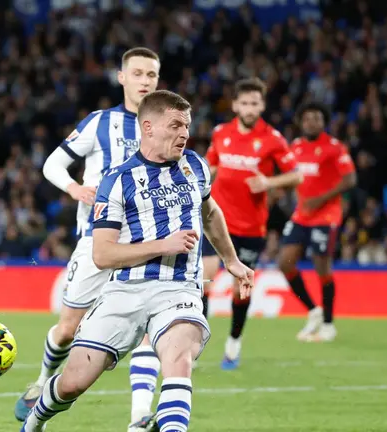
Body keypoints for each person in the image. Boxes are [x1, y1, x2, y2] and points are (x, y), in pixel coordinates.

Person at [19, 90, 254, 432]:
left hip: (179, 289)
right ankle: (33, 422)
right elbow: (103, 254)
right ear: (149, 127)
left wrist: (230, 260)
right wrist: (164, 244)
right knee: (72, 383)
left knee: (178, 358)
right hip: (125, 291)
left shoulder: (195, 165)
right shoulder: (117, 181)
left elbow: (210, 210)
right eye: (175, 125)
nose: (184, 133)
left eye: (187, 125)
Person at [15, 47, 164, 430]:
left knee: (148, 330)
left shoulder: (167, 125)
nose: (145, 81)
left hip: (146, 247)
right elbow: (53, 163)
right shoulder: (100, 123)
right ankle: (41, 381)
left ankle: (139, 417)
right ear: (122, 77)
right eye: (138, 73)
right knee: (67, 329)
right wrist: (74, 188)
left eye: (152, 75)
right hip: (97, 244)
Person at [201, 78, 301, 370]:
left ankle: (233, 343)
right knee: (203, 279)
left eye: (254, 103)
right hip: (215, 221)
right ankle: (193, 344)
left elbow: (295, 175)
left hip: (250, 228)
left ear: (262, 105)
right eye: (243, 102)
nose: (248, 108)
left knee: (237, 290)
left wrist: (269, 182)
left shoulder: (273, 138)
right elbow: (211, 165)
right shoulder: (221, 133)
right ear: (235, 105)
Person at [278, 102, 356, 342]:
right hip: (302, 214)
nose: (312, 122)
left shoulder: (334, 147)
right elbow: (293, 176)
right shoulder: (296, 147)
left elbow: (350, 179)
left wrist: (320, 199)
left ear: (324, 122)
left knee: (322, 265)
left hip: (326, 215)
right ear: (301, 122)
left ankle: (329, 324)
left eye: (317, 118)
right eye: (308, 118)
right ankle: (314, 310)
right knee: (284, 263)